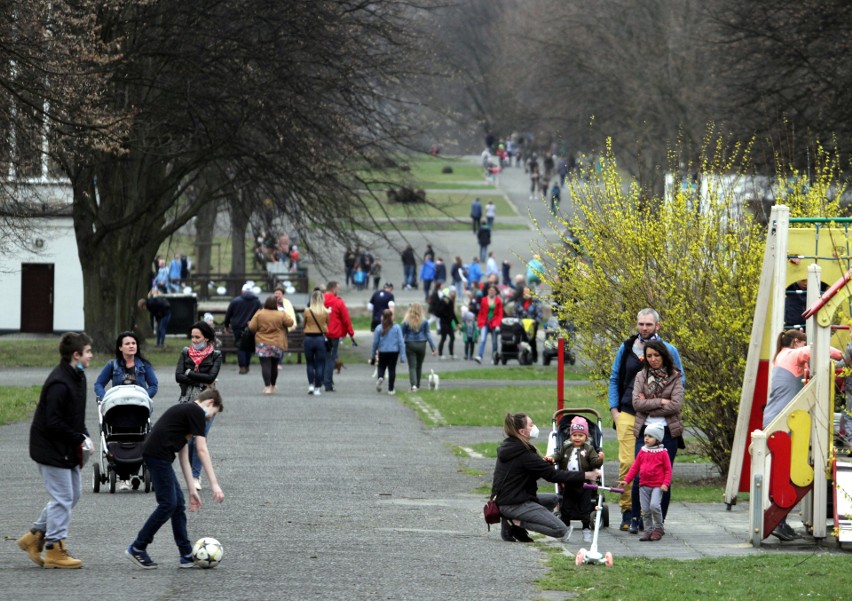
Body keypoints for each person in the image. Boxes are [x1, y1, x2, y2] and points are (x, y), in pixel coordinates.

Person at [125, 389, 225, 569]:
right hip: (157, 455)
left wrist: (193, 491)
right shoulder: (196, 412)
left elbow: (184, 457)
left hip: (159, 456)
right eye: (214, 413)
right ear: (209, 402)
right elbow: (202, 450)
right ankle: (138, 547)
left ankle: (186, 554)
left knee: (178, 504)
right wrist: (215, 484)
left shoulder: (187, 414)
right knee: (168, 504)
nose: (210, 418)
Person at [18, 332, 93, 569]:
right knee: (63, 497)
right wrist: (77, 437)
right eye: (88, 352)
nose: (91, 355)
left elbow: (75, 416)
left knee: (73, 494)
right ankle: (54, 549)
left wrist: (85, 436)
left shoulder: (78, 376)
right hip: (50, 448)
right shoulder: (60, 383)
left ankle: (35, 535)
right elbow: (53, 422)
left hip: (65, 447)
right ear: (76, 355)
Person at [608, 308, 684, 531]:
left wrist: (664, 405)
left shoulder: (669, 350)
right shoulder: (627, 347)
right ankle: (628, 512)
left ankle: (650, 517)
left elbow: (680, 381)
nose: (644, 328)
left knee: (656, 468)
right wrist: (615, 410)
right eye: (641, 324)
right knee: (629, 464)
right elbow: (615, 377)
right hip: (629, 414)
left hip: (660, 420)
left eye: (649, 325)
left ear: (657, 326)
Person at [763, 329, 842, 540]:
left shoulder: (781, 356)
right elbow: (818, 351)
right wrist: (842, 356)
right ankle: (779, 522)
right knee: (785, 475)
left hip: (777, 419)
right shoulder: (791, 355)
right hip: (781, 422)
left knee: (783, 473)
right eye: (803, 341)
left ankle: (781, 521)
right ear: (797, 342)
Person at [492, 412, 598, 543]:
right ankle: (517, 522)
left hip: (507, 499)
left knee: (554, 499)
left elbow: (527, 473)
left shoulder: (510, 446)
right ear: (522, 431)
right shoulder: (524, 453)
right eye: (531, 425)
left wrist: (543, 464)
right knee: (562, 531)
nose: (534, 427)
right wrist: (585, 475)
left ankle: (510, 519)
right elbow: (553, 475)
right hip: (515, 503)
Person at [628, 340, 684, 533]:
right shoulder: (641, 376)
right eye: (649, 356)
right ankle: (636, 518)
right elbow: (636, 403)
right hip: (644, 432)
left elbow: (676, 405)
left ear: (664, 356)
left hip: (668, 433)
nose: (653, 359)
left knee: (663, 479)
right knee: (639, 475)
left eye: (656, 355)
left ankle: (659, 523)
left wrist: (649, 404)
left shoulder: (674, 376)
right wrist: (660, 401)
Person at [94, 330, 159, 490]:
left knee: (140, 438)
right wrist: (105, 398)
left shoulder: (143, 366)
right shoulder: (112, 365)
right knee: (115, 438)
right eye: (127, 344)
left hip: (138, 409)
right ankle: (122, 478)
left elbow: (154, 385)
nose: (131, 346)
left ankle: (134, 474)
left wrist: (145, 396)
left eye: (134, 343)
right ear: (120, 348)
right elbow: (98, 384)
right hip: (117, 409)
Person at [175, 321, 222, 491]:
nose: (194, 340)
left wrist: (191, 373)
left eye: (198, 337)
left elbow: (211, 378)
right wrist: (199, 377)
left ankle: (195, 476)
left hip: (207, 402)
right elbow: (178, 376)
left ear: (207, 339)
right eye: (192, 337)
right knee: (187, 439)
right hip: (186, 400)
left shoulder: (216, 355)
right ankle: (190, 472)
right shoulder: (185, 353)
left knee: (198, 439)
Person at [547, 416, 604, 544]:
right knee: (566, 506)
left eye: (580, 435)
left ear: (585, 437)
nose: (577, 438)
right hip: (569, 482)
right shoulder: (566, 448)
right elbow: (558, 456)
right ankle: (565, 527)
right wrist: (552, 458)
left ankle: (586, 528)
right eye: (575, 435)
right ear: (571, 436)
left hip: (585, 484)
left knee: (585, 507)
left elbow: (595, 463)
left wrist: (600, 459)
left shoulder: (589, 449)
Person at [619, 423, 671, 542]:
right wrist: (626, 480)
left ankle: (658, 528)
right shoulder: (642, 452)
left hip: (657, 486)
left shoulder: (662, 453)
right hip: (643, 485)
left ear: (657, 439)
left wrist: (665, 483)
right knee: (646, 510)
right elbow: (635, 467)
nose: (646, 438)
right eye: (645, 435)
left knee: (654, 506)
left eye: (650, 436)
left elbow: (668, 470)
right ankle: (648, 530)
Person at [248, 296, 294, 395]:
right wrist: (283, 312)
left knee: (265, 365)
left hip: (262, 343)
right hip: (277, 343)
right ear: (276, 304)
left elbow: (251, 327)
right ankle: (273, 386)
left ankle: (267, 387)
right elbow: (291, 322)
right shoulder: (280, 314)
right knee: (274, 365)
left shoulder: (259, 313)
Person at [323, 281, 355, 392]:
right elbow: (346, 319)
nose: (338, 291)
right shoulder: (338, 302)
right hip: (334, 334)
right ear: (333, 289)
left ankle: (320, 380)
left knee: (322, 357)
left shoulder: (319, 300)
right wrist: (351, 333)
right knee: (331, 358)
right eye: (337, 288)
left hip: (321, 333)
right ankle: (328, 383)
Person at [223, 282, 262, 374]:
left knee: (240, 346)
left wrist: (226, 325)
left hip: (238, 327)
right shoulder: (257, 302)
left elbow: (228, 314)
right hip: (251, 326)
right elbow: (260, 314)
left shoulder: (235, 301)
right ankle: (247, 365)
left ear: (242, 291)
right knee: (248, 346)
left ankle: (242, 366)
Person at [402, 302, 436, 392]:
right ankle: (418, 385)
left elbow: (402, 334)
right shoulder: (424, 321)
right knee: (419, 365)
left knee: (412, 366)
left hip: (410, 344)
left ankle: (413, 386)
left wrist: (399, 347)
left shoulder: (406, 321)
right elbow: (428, 334)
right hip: (422, 344)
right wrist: (433, 347)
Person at [371, 309, 406, 395]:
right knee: (392, 369)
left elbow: (375, 343)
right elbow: (401, 342)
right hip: (394, 351)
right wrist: (402, 355)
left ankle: (380, 377)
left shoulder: (379, 328)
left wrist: (372, 355)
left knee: (381, 366)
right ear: (392, 317)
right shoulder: (397, 327)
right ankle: (391, 389)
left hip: (383, 351)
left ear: (382, 317)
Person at [303, 289, 330, 395]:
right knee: (320, 364)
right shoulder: (325, 311)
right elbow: (327, 324)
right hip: (320, 339)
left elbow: (305, 324)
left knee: (309, 363)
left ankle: (311, 385)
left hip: (309, 338)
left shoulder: (307, 311)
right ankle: (318, 388)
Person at [474, 284, 503, 364]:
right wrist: (479, 323)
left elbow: (500, 314)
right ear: (487, 291)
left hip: (494, 323)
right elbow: (481, 313)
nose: (491, 292)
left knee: (494, 341)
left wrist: (498, 324)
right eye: (490, 290)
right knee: (483, 339)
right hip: (485, 322)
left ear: (496, 292)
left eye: (493, 290)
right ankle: (480, 356)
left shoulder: (498, 301)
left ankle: (494, 358)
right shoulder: (483, 300)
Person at [434, 288, 460, 360]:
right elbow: (443, 312)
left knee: (452, 337)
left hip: (448, 323)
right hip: (444, 323)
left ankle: (451, 354)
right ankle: (440, 354)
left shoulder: (449, 301)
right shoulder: (445, 301)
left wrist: (457, 322)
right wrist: (449, 317)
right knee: (444, 338)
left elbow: (452, 313)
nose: (453, 294)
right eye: (452, 292)